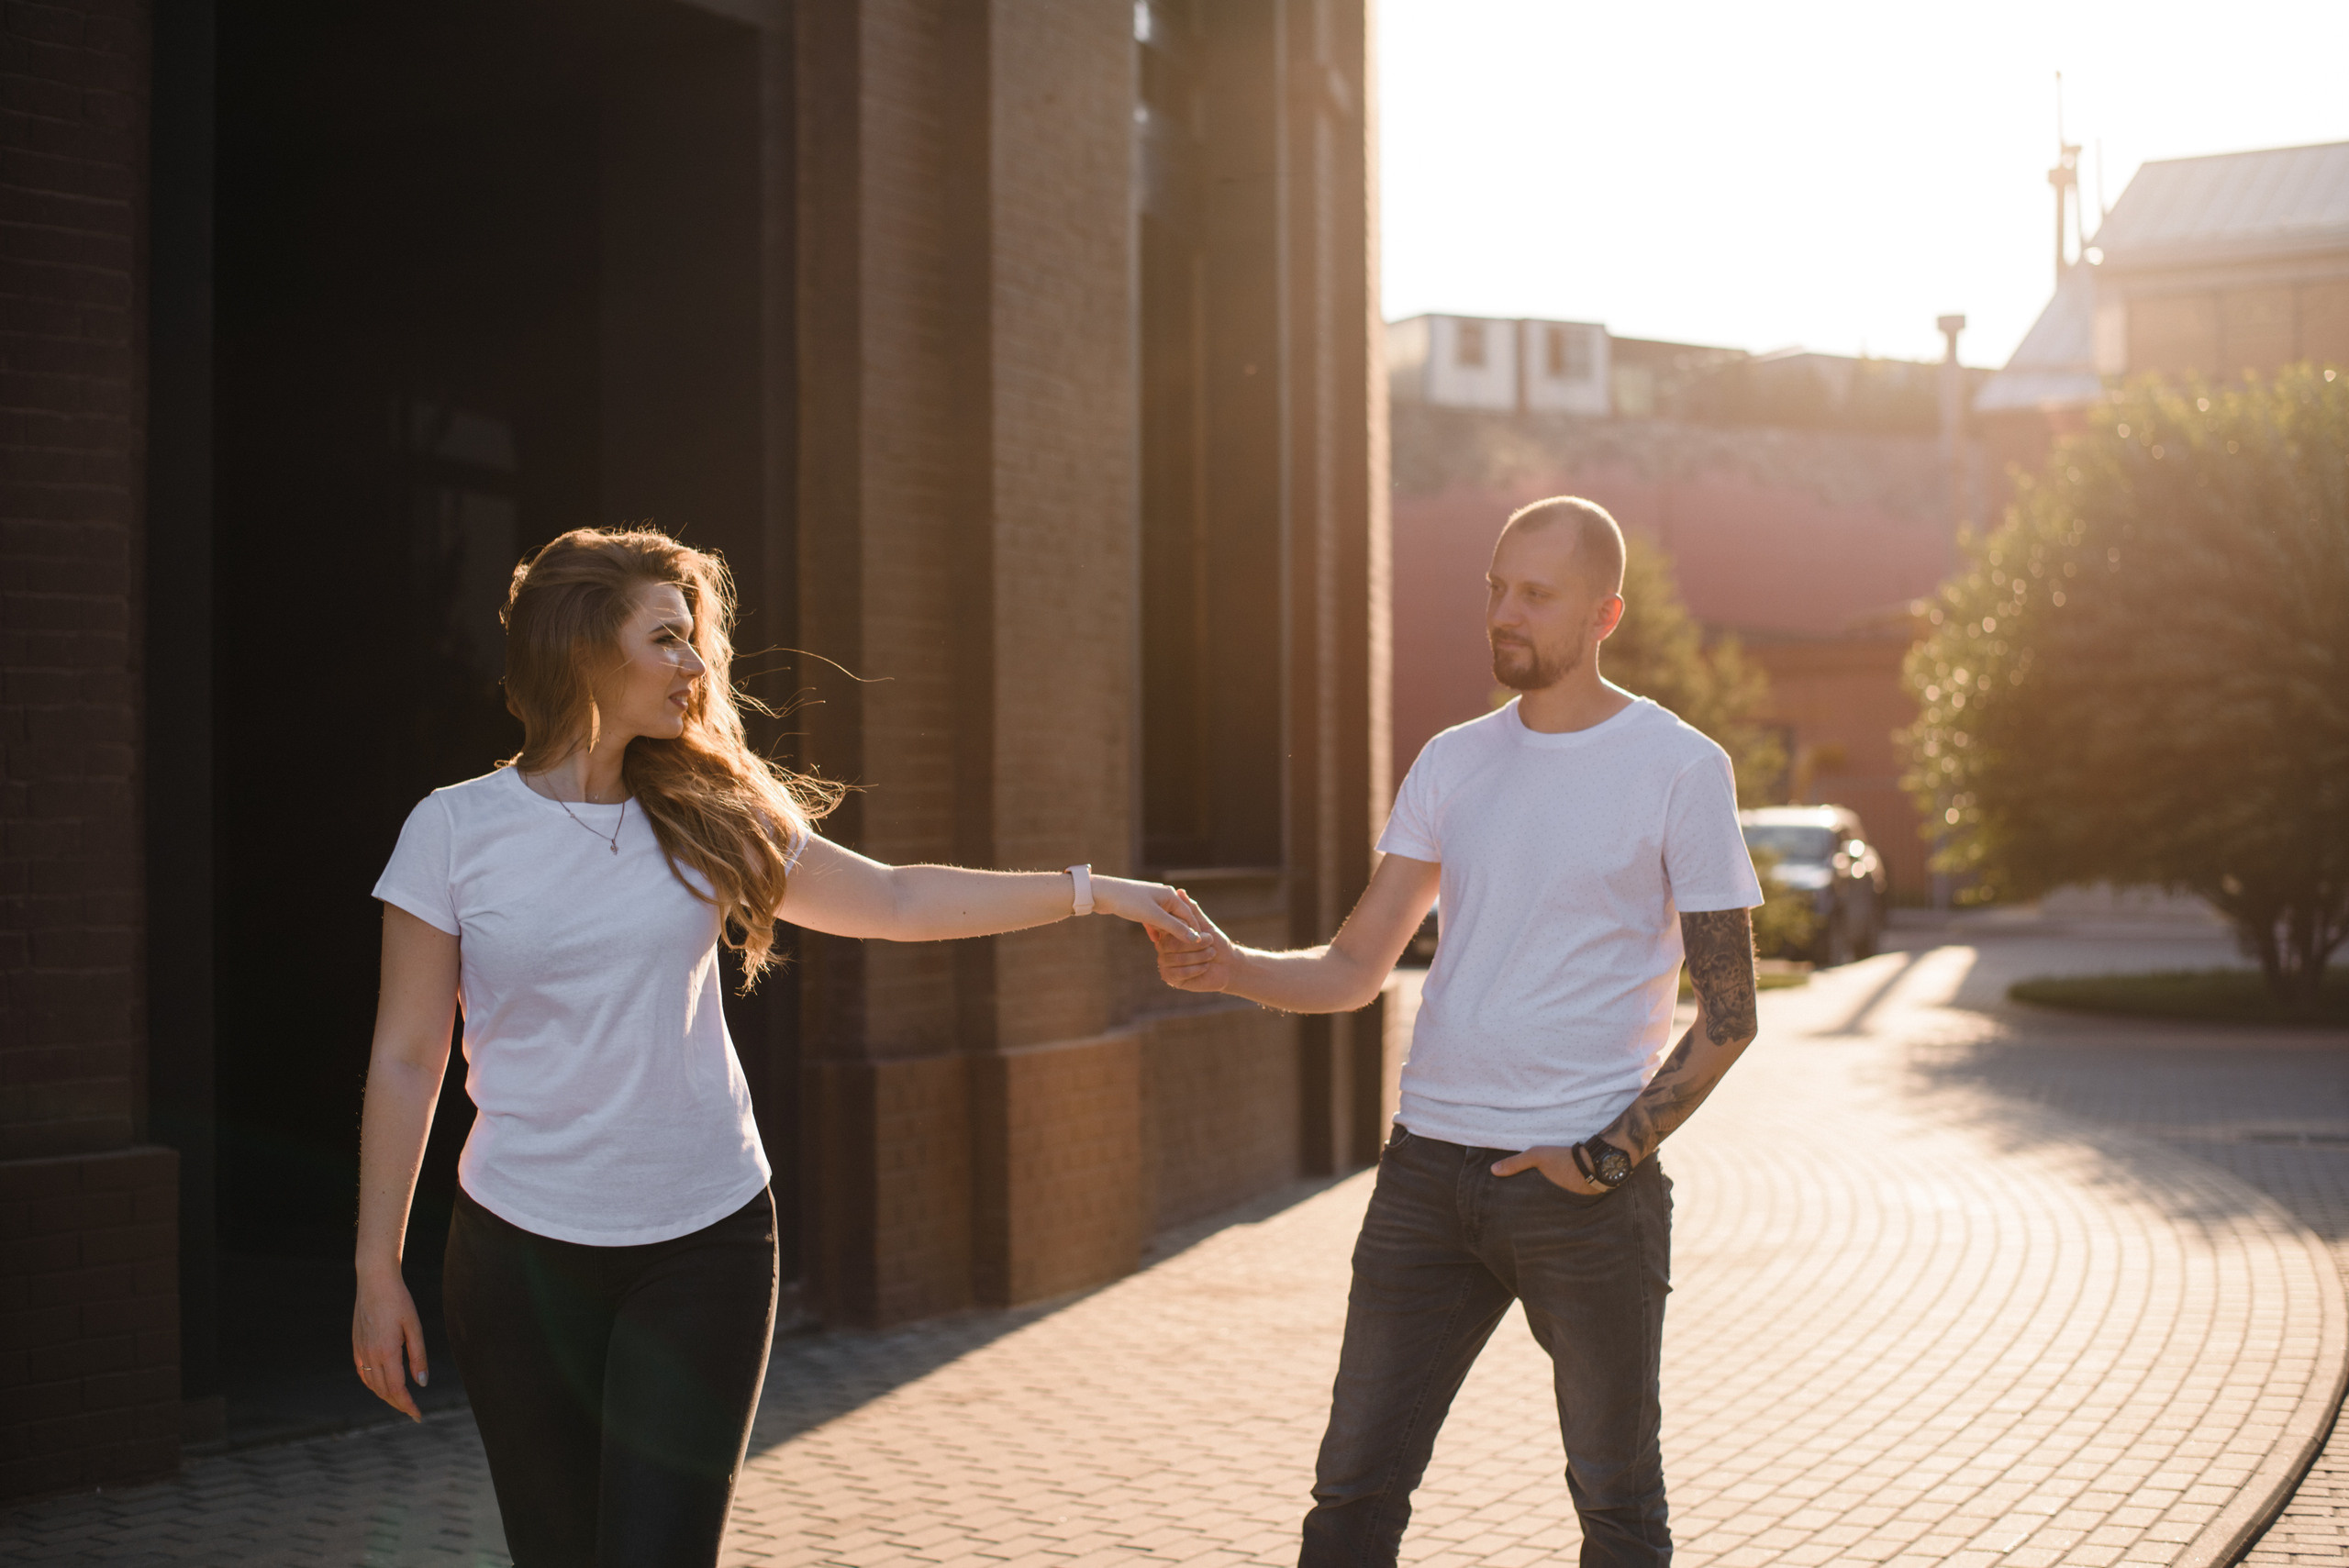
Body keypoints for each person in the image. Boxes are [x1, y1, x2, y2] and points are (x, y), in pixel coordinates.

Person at [352, 527, 1198, 1568]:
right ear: (582, 646)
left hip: (704, 1241)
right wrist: (374, 1268)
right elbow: (407, 1055)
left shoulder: (708, 811)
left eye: (696, 638)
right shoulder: (452, 831)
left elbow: (893, 896)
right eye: (667, 638)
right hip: (521, 1255)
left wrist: (1090, 890)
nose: (697, 666)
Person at [1153, 495, 1764, 1568]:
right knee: (1349, 1495)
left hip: (1582, 1193)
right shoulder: (1453, 760)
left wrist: (1605, 1155)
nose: (1504, 611)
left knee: (1617, 1508)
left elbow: (1730, 1010)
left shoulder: (1678, 765)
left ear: (1604, 612)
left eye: (1536, 594)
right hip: (1425, 1175)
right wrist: (1232, 965)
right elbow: (1354, 966)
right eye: (1495, 586)